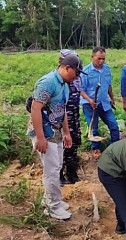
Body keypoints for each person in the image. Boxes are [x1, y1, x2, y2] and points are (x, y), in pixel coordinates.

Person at [27, 54, 86, 220]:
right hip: (45, 131)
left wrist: (66, 132)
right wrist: (40, 138)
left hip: (57, 131)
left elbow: (62, 109)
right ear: (67, 68)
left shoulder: (65, 84)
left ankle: (52, 200)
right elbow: (35, 109)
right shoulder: (48, 82)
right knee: (52, 170)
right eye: (76, 72)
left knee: (58, 165)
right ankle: (52, 207)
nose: (77, 76)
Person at [80, 47, 120, 159]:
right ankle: (96, 149)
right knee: (93, 128)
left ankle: (115, 148)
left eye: (103, 59)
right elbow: (81, 90)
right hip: (90, 105)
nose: (101, 61)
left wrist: (112, 98)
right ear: (92, 57)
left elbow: (109, 85)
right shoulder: (86, 71)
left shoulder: (107, 69)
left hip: (104, 103)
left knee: (114, 125)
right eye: (99, 59)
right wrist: (90, 100)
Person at [58, 49, 82, 185]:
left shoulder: (76, 78)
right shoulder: (57, 81)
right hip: (62, 119)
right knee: (60, 146)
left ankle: (72, 173)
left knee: (73, 145)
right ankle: (60, 175)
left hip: (74, 117)